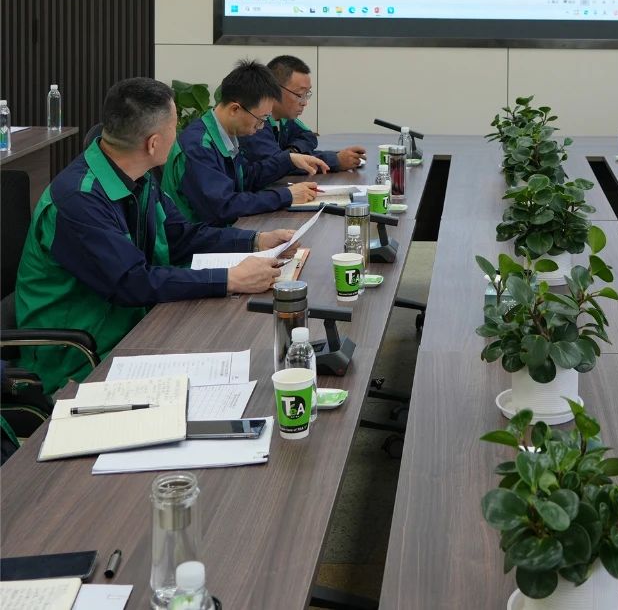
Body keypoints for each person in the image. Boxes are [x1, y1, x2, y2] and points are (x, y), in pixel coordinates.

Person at [16, 78, 293, 392]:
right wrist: (230, 279)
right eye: (175, 127)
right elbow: (131, 282)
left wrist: (255, 241)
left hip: (137, 328)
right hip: (81, 359)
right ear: (153, 143)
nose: (180, 135)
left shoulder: (137, 177)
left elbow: (180, 236)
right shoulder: (78, 200)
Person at [162, 60, 320, 226]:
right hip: (200, 237)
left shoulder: (226, 133)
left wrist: (288, 160)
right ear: (235, 109)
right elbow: (223, 207)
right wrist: (286, 196)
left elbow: (246, 178)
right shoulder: (198, 146)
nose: (261, 127)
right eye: (261, 119)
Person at [241, 55, 365, 172]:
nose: (305, 103)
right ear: (275, 90)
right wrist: (335, 160)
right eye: (300, 94)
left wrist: (293, 151)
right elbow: (276, 165)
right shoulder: (255, 123)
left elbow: (308, 136)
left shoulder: (284, 119)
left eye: (307, 94)